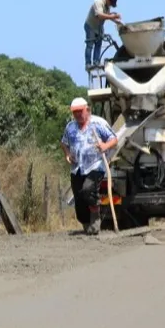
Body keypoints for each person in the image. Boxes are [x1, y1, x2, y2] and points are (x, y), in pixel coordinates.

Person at [61, 97, 118, 235]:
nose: (77, 114)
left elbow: (114, 139)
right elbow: (64, 143)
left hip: (95, 165)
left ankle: (95, 217)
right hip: (77, 168)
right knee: (79, 198)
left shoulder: (98, 123)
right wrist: (67, 154)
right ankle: (86, 223)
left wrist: (105, 146)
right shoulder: (70, 127)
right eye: (75, 112)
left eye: (80, 111)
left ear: (87, 110)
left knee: (88, 190)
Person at [83, 0, 122, 70]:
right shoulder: (98, 2)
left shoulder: (107, 5)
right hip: (91, 26)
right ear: (108, 0)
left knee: (98, 45)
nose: (111, 6)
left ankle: (96, 62)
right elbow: (100, 15)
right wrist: (112, 16)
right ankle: (88, 64)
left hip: (99, 27)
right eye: (111, 4)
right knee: (90, 45)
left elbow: (107, 15)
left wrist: (117, 21)